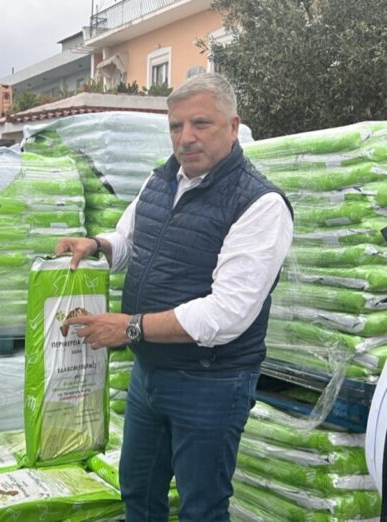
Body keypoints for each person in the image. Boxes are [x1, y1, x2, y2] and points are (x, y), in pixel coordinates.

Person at [56, 73, 294, 521]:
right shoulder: (161, 180)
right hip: (151, 375)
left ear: (232, 126)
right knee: (139, 490)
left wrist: (130, 327)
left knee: (201, 507)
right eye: (176, 126)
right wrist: (98, 245)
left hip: (211, 382)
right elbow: (131, 241)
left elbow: (227, 314)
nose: (186, 138)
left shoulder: (259, 204)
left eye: (201, 123)